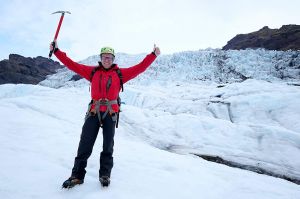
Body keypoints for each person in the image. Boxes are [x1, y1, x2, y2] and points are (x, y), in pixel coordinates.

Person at [49, 41, 160, 188]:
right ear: (101, 58)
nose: (107, 59)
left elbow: (139, 68)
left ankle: (105, 175)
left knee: (108, 145)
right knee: (85, 144)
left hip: (110, 113)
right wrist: (56, 51)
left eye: (109, 57)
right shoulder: (92, 72)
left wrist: (153, 55)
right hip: (94, 111)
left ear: (113, 59)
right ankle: (77, 176)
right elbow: (72, 64)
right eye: (104, 57)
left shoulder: (120, 74)